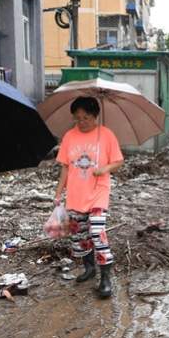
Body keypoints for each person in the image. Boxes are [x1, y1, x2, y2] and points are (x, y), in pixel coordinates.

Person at [54, 97, 124, 299]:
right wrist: (59, 193)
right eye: (78, 118)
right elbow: (66, 167)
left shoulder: (106, 135)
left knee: (97, 231)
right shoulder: (69, 136)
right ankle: (89, 268)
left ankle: (105, 278)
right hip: (76, 193)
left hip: (98, 191)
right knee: (80, 235)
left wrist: (104, 169)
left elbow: (118, 161)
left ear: (95, 116)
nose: (82, 122)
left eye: (86, 117)